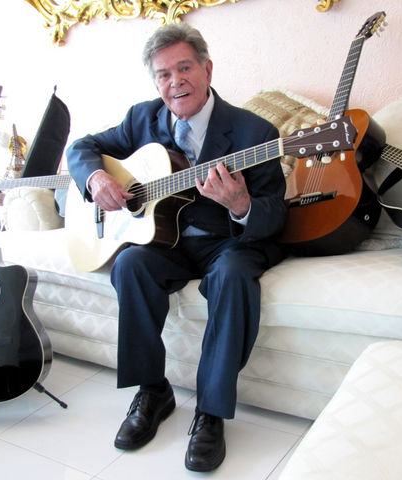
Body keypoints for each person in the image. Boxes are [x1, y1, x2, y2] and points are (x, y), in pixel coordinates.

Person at [66, 23, 287, 472]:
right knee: (130, 265)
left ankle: (211, 412)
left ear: (207, 70)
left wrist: (241, 204)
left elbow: (277, 214)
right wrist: (96, 177)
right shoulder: (141, 119)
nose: (175, 82)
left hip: (228, 242)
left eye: (184, 68)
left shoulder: (255, 132)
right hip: (166, 240)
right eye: (163, 74)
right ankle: (152, 391)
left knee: (233, 276)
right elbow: (81, 147)